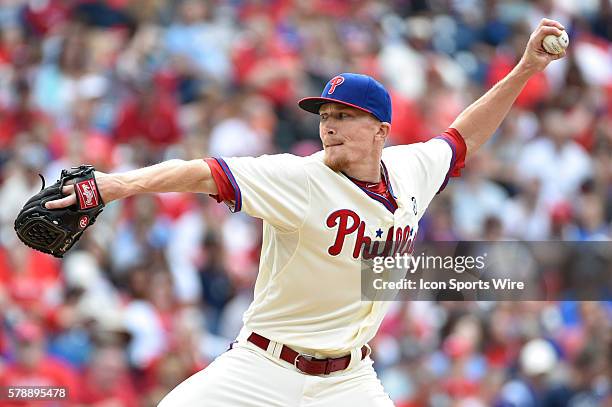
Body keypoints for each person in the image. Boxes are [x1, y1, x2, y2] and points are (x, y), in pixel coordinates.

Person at [45, 19, 567, 407]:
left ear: (381, 132)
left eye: (345, 116)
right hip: (263, 367)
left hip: (350, 381)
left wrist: (524, 69)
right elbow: (201, 171)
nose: (330, 126)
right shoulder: (299, 178)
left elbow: (463, 136)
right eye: (325, 116)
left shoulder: (411, 170)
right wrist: (110, 186)